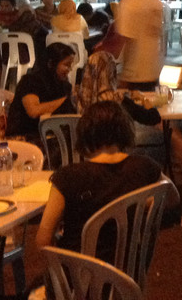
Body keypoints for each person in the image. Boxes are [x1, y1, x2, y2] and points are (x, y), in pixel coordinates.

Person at [35, 100, 167, 254]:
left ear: (84, 134)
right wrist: (139, 201)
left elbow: (43, 241)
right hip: (127, 272)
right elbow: (171, 197)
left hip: (78, 273)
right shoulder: (144, 166)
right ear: (125, 133)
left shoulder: (67, 177)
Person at [6, 42, 77, 141]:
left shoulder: (63, 85)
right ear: (51, 64)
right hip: (24, 135)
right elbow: (33, 111)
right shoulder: (30, 81)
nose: (70, 69)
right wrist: (67, 100)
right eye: (66, 65)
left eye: (71, 65)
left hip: (48, 132)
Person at [116, 0, 166, 92]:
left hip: (134, 72)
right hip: (154, 67)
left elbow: (125, 39)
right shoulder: (156, 2)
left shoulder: (128, 3)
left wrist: (122, 73)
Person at [77, 51, 163, 127]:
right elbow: (153, 118)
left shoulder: (78, 97)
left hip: (87, 144)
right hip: (114, 144)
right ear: (110, 73)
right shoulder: (116, 100)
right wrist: (147, 103)